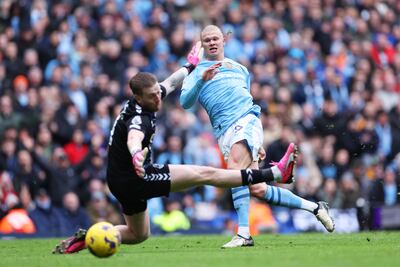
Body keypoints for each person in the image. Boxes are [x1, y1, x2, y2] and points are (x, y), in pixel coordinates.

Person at [53, 43, 298, 254]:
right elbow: (134, 138)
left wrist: (190, 65)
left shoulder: (145, 97)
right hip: (136, 176)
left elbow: (170, 82)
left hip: (118, 179)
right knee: (206, 174)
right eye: (153, 97)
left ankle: (87, 238)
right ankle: (275, 174)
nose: (159, 99)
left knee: (138, 235)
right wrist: (137, 154)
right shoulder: (139, 118)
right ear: (139, 98)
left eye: (157, 94)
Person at [181, 25, 334, 248]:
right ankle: (316, 208)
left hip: (245, 121)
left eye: (215, 38)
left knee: (234, 169)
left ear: (224, 40)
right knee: (256, 188)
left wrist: (255, 139)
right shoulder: (194, 72)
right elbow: (185, 102)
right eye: (207, 40)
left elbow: (247, 101)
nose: (212, 43)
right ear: (202, 45)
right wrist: (202, 79)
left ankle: (244, 234)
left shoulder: (240, 69)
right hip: (224, 132)